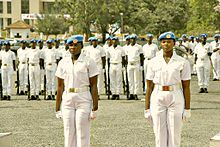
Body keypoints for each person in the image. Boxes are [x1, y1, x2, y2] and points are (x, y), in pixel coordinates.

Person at [144, 32, 191, 147]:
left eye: (169, 42)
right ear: (160, 44)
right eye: (164, 42)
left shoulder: (182, 62)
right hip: (158, 95)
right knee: (159, 132)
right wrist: (146, 108)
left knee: (175, 133)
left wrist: (187, 108)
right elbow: (149, 86)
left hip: (175, 95)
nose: (166, 44)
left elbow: (186, 86)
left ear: (174, 43)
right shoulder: (153, 62)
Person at [55, 35, 99, 147]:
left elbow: (93, 85)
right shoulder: (63, 62)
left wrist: (95, 107)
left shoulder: (89, 61)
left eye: (76, 45)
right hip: (68, 98)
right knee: (68, 131)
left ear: (81, 46)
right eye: (70, 45)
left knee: (82, 131)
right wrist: (57, 108)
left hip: (83, 97)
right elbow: (60, 86)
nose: (73, 47)